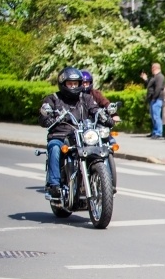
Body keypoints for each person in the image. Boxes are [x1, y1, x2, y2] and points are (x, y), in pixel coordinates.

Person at [38, 67, 115, 198]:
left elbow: (95, 109)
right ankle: (54, 185)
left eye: (75, 83)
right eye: (70, 83)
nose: (73, 86)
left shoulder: (86, 98)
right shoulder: (53, 99)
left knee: (103, 147)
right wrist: (49, 118)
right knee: (54, 147)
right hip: (60, 135)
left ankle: (106, 183)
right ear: (63, 84)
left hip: (81, 135)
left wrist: (103, 116)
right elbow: (43, 116)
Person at [140, 63, 164, 139]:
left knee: (156, 116)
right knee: (153, 117)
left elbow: (158, 88)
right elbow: (150, 86)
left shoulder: (160, 77)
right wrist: (146, 79)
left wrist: (154, 97)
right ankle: (154, 131)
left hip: (157, 99)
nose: (151, 70)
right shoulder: (154, 77)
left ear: (154, 68)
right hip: (153, 99)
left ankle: (158, 133)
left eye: (152, 68)